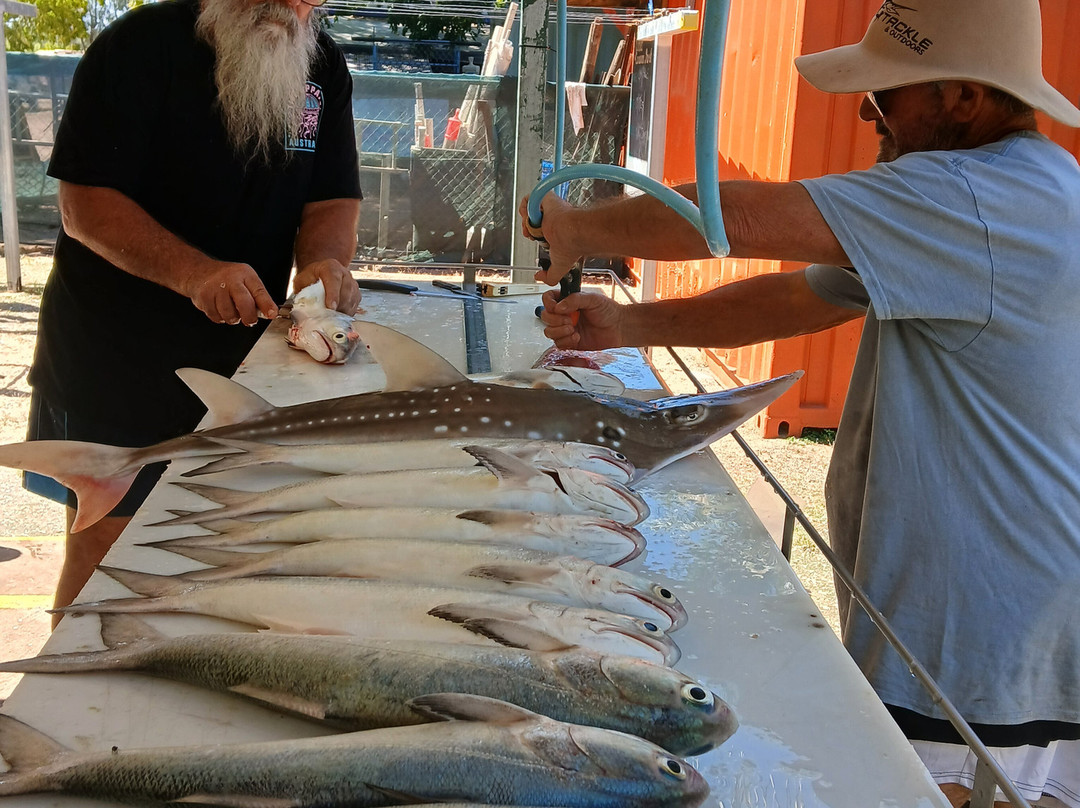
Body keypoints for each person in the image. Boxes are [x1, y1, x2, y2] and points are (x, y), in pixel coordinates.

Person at [521, 1, 1080, 806]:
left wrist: (577, 228)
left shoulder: (973, 197)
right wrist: (631, 324)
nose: (866, 112)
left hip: (980, 635)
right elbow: (801, 298)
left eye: (888, 91)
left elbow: (740, 217)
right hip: (1004, 609)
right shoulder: (1020, 189)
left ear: (963, 97)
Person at [25, 0, 363, 621]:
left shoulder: (321, 66)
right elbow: (85, 205)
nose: (296, 9)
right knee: (109, 548)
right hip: (114, 358)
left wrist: (324, 262)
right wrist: (196, 273)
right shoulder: (138, 45)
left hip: (242, 366)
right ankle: (69, 681)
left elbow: (331, 198)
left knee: (222, 543)